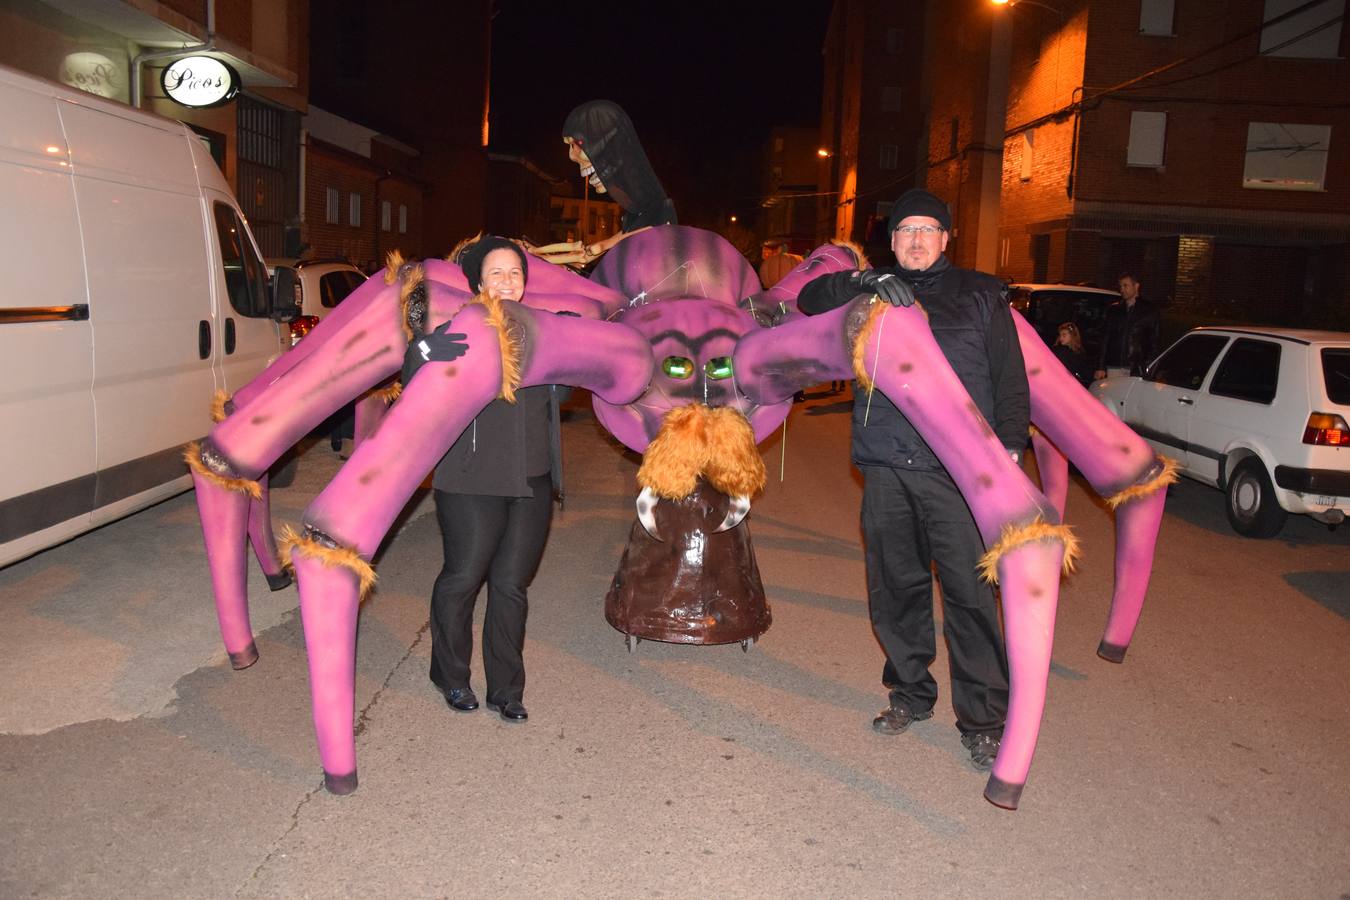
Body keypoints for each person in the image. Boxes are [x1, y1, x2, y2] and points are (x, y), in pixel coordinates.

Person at [797, 188, 1029, 772]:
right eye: (906, 230)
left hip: (959, 472)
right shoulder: (871, 293)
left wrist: (1010, 448)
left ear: (946, 238)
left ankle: (983, 721)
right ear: (893, 240)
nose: (917, 239)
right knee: (895, 591)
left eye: (928, 229)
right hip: (886, 468)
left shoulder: (980, 294)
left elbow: (1010, 379)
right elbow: (807, 300)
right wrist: (863, 280)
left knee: (970, 597)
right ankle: (909, 694)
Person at [402, 235, 566, 724]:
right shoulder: (460, 328)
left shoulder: (543, 329)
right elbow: (413, 383)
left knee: (512, 586)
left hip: (532, 478)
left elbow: (564, 392)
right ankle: (451, 675)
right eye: (497, 273)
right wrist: (421, 351)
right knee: (463, 577)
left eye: (515, 272)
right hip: (471, 478)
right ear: (478, 282)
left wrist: (568, 363)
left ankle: (506, 690)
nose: (508, 281)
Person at [532, 100, 678, 267]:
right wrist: (534, 254)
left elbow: (596, 250)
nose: (572, 155)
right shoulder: (635, 215)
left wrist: (534, 256)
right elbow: (586, 255)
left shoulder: (660, 213)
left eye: (578, 144)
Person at [1094, 273, 1160, 379]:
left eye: (1125, 285)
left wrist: (1149, 366)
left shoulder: (1149, 310)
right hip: (1114, 364)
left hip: (1136, 367)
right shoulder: (1114, 310)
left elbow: (1154, 341)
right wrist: (1100, 366)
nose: (1122, 289)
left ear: (1136, 286)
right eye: (1120, 286)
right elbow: (1105, 338)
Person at [1051, 322, 1094, 387]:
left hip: (1069, 384)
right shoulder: (1058, 350)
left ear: (1072, 335)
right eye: (1060, 335)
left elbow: (1082, 370)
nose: (1061, 338)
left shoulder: (1079, 352)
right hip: (1057, 382)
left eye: (1064, 335)